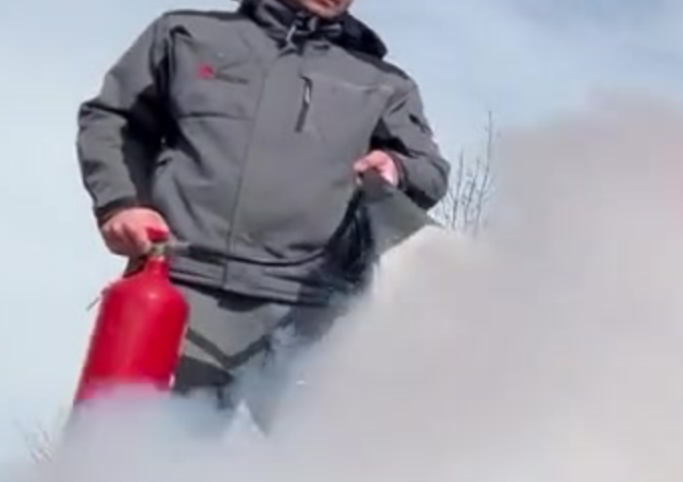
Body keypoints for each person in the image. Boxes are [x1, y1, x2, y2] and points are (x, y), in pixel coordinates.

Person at [75, 0, 450, 430]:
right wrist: (120, 203)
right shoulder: (185, 37)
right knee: (134, 465)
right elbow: (113, 120)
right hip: (184, 297)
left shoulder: (384, 84)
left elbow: (429, 170)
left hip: (312, 321)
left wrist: (396, 167)